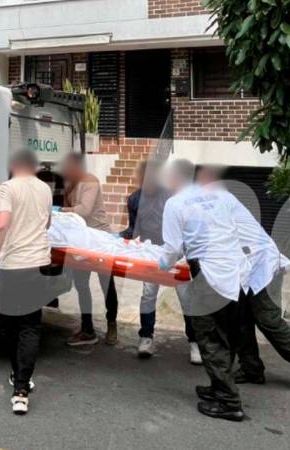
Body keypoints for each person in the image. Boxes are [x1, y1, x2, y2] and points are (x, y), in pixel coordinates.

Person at [190, 166, 290, 395]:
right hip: (241, 268)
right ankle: (251, 368)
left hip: (261, 264)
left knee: (267, 319)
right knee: (240, 320)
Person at [159, 159, 248, 422]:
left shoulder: (175, 204)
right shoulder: (222, 194)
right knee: (228, 334)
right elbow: (244, 227)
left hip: (210, 275)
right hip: (238, 272)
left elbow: (172, 249)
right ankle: (218, 386)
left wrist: (161, 264)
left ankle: (230, 402)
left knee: (208, 336)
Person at [0, 149, 55, 416]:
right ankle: (21, 386)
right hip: (38, 264)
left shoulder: (7, 188)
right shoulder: (45, 189)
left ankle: (20, 382)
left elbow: (2, 224)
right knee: (30, 326)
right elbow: (47, 223)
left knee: (10, 326)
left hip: (12, 266)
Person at [120, 159, 197, 360]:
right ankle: (146, 337)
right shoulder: (134, 199)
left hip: (176, 252)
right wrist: (118, 238)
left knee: (186, 297)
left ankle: (194, 341)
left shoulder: (171, 197)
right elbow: (133, 229)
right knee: (148, 294)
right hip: (152, 253)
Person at [61, 153, 120, 347]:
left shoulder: (90, 181)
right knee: (81, 284)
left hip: (100, 239)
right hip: (82, 241)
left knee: (106, 284)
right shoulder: (70, 185)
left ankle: (112, 323)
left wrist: (61, 211)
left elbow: (84, 210)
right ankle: (87, 328)